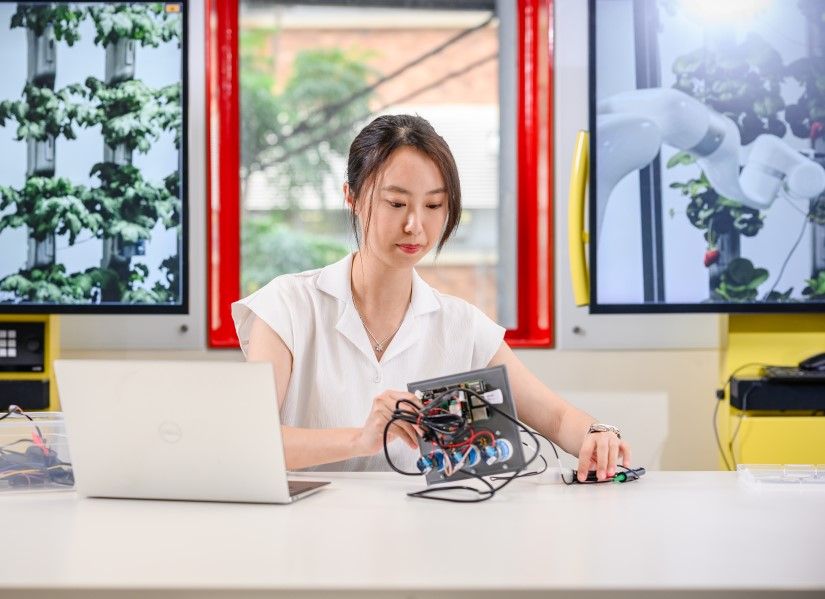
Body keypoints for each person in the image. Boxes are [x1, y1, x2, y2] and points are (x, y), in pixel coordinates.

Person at [232, 114, 631, 482]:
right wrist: (361, 439)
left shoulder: (460, 324)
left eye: (434, 205)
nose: (415, 225)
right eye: (396, 203)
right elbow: (252, 439)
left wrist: (598, 435)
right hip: (303, 540)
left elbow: (557, 418)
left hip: (421, 539)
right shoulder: (286, 306)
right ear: (351, 198)